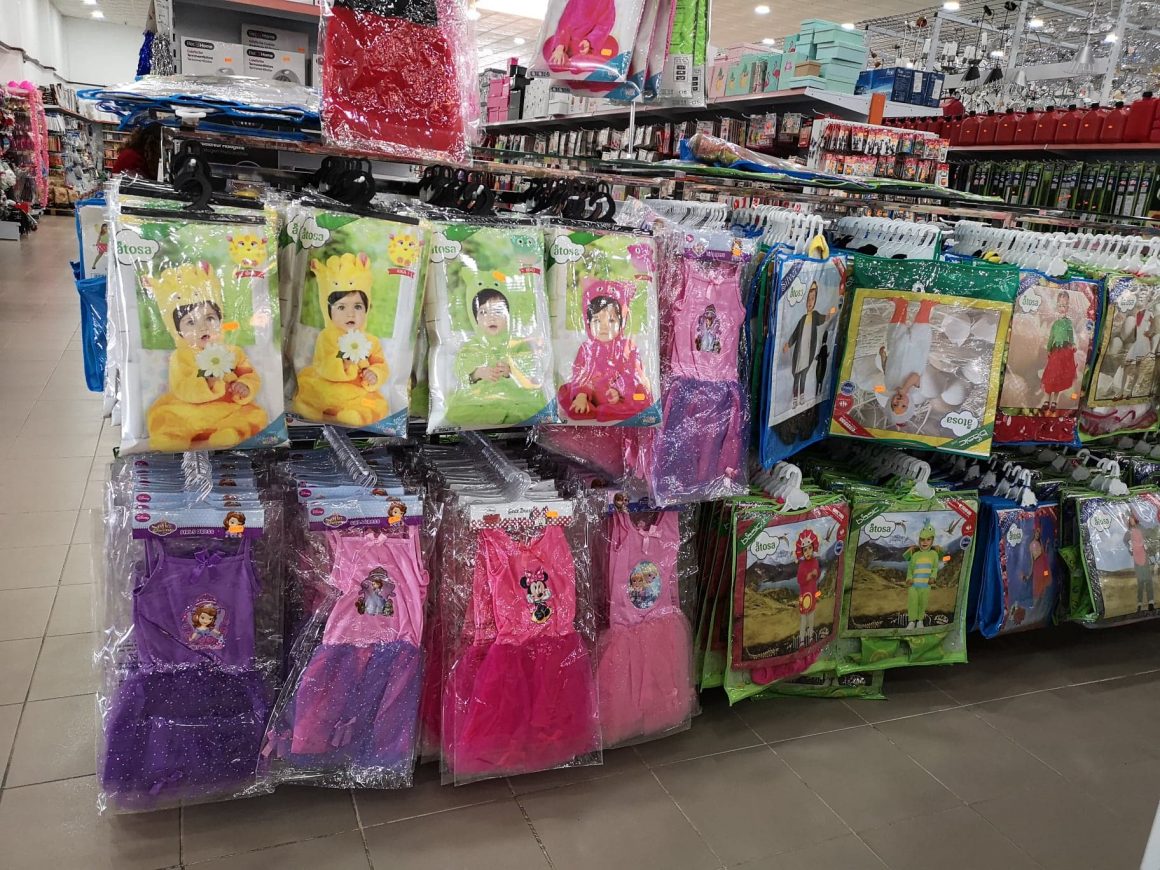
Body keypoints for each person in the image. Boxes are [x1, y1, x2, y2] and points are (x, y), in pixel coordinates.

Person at [292, 253, 390, 427]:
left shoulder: (371, 341)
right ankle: (316, 410)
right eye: (341, 307)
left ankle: (352, 415)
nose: (350, 314)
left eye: (357, 306)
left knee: (377, 404)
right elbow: (322, 365)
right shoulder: (326, 336)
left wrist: (374, 374)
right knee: (309, 393)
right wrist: (342, 362)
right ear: (329, 310)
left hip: (356, 392)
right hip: (326, 386)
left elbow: (380, 364)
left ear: (367, 309)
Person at [1041, 291, 1078, 415]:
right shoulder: (1055, 324)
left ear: (1067, 308)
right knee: (1050, 376)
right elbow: (1051, 337)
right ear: (1057, 306)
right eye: (1060, 306)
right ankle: (1046, 400)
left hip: (1064, 352)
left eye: (1064, 306)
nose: (1062, 308)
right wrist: (1048, 349)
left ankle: (1054, 402)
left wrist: (1073, 344)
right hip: (1055, 352)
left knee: (1059, 378)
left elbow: (1070, 336)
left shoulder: (1068, 323)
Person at [903, 521, 943, 629]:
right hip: (914, 585)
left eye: (928, 539)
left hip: (926, 585)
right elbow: (910, 568)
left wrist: (933, 577)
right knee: (913, 602)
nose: (924, 542)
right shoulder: (915, 555)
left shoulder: (934, 554)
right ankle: (912, 621)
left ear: (932, 540)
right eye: (922, 539)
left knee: (923, 603)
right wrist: (909, 578)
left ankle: (920, 620)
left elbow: (935, 567)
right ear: (919, 540)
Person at [1126, 511, 1155, 613]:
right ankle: (1139, 603)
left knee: (1148, 579)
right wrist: (1129, 547)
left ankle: (1151, 602)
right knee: (1140, 581)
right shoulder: (1128, 532)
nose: (1131, 520)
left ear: (1135, 518)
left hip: (1144, 556)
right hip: (1136, 558)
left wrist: (1147, 543)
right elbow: (1125, 540)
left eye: (1132, 518)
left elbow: (1149, 534)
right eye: (1130, 519)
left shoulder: (1141, 528)